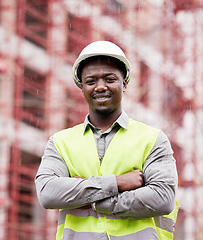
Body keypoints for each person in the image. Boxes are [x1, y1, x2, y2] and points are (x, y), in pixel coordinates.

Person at [35, 41, 179, 240]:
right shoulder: (60, 142)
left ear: (124, 83)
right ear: (82, 87)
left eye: (110, 79)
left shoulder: (152, 139)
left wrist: (91, 200)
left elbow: (162, 199)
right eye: (91, 81)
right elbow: (47, 194)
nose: (100, 87)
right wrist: (117, 183)